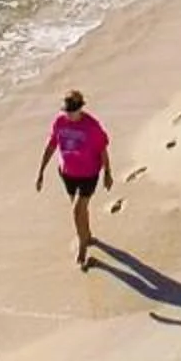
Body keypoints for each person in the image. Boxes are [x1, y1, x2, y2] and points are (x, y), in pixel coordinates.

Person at [36, 89, 113, 267]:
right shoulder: (59, 122)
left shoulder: (92, 126)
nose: (69, 114)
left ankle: (82, 247)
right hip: (67, 173)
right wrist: (41, 172)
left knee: (76, 210)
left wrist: (108, 173)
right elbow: (51, 144)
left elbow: (102, 149)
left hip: (89, 174)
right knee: (80, 209)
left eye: (72, 111)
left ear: (80, 108)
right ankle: (87, 235)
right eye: (66, 111)